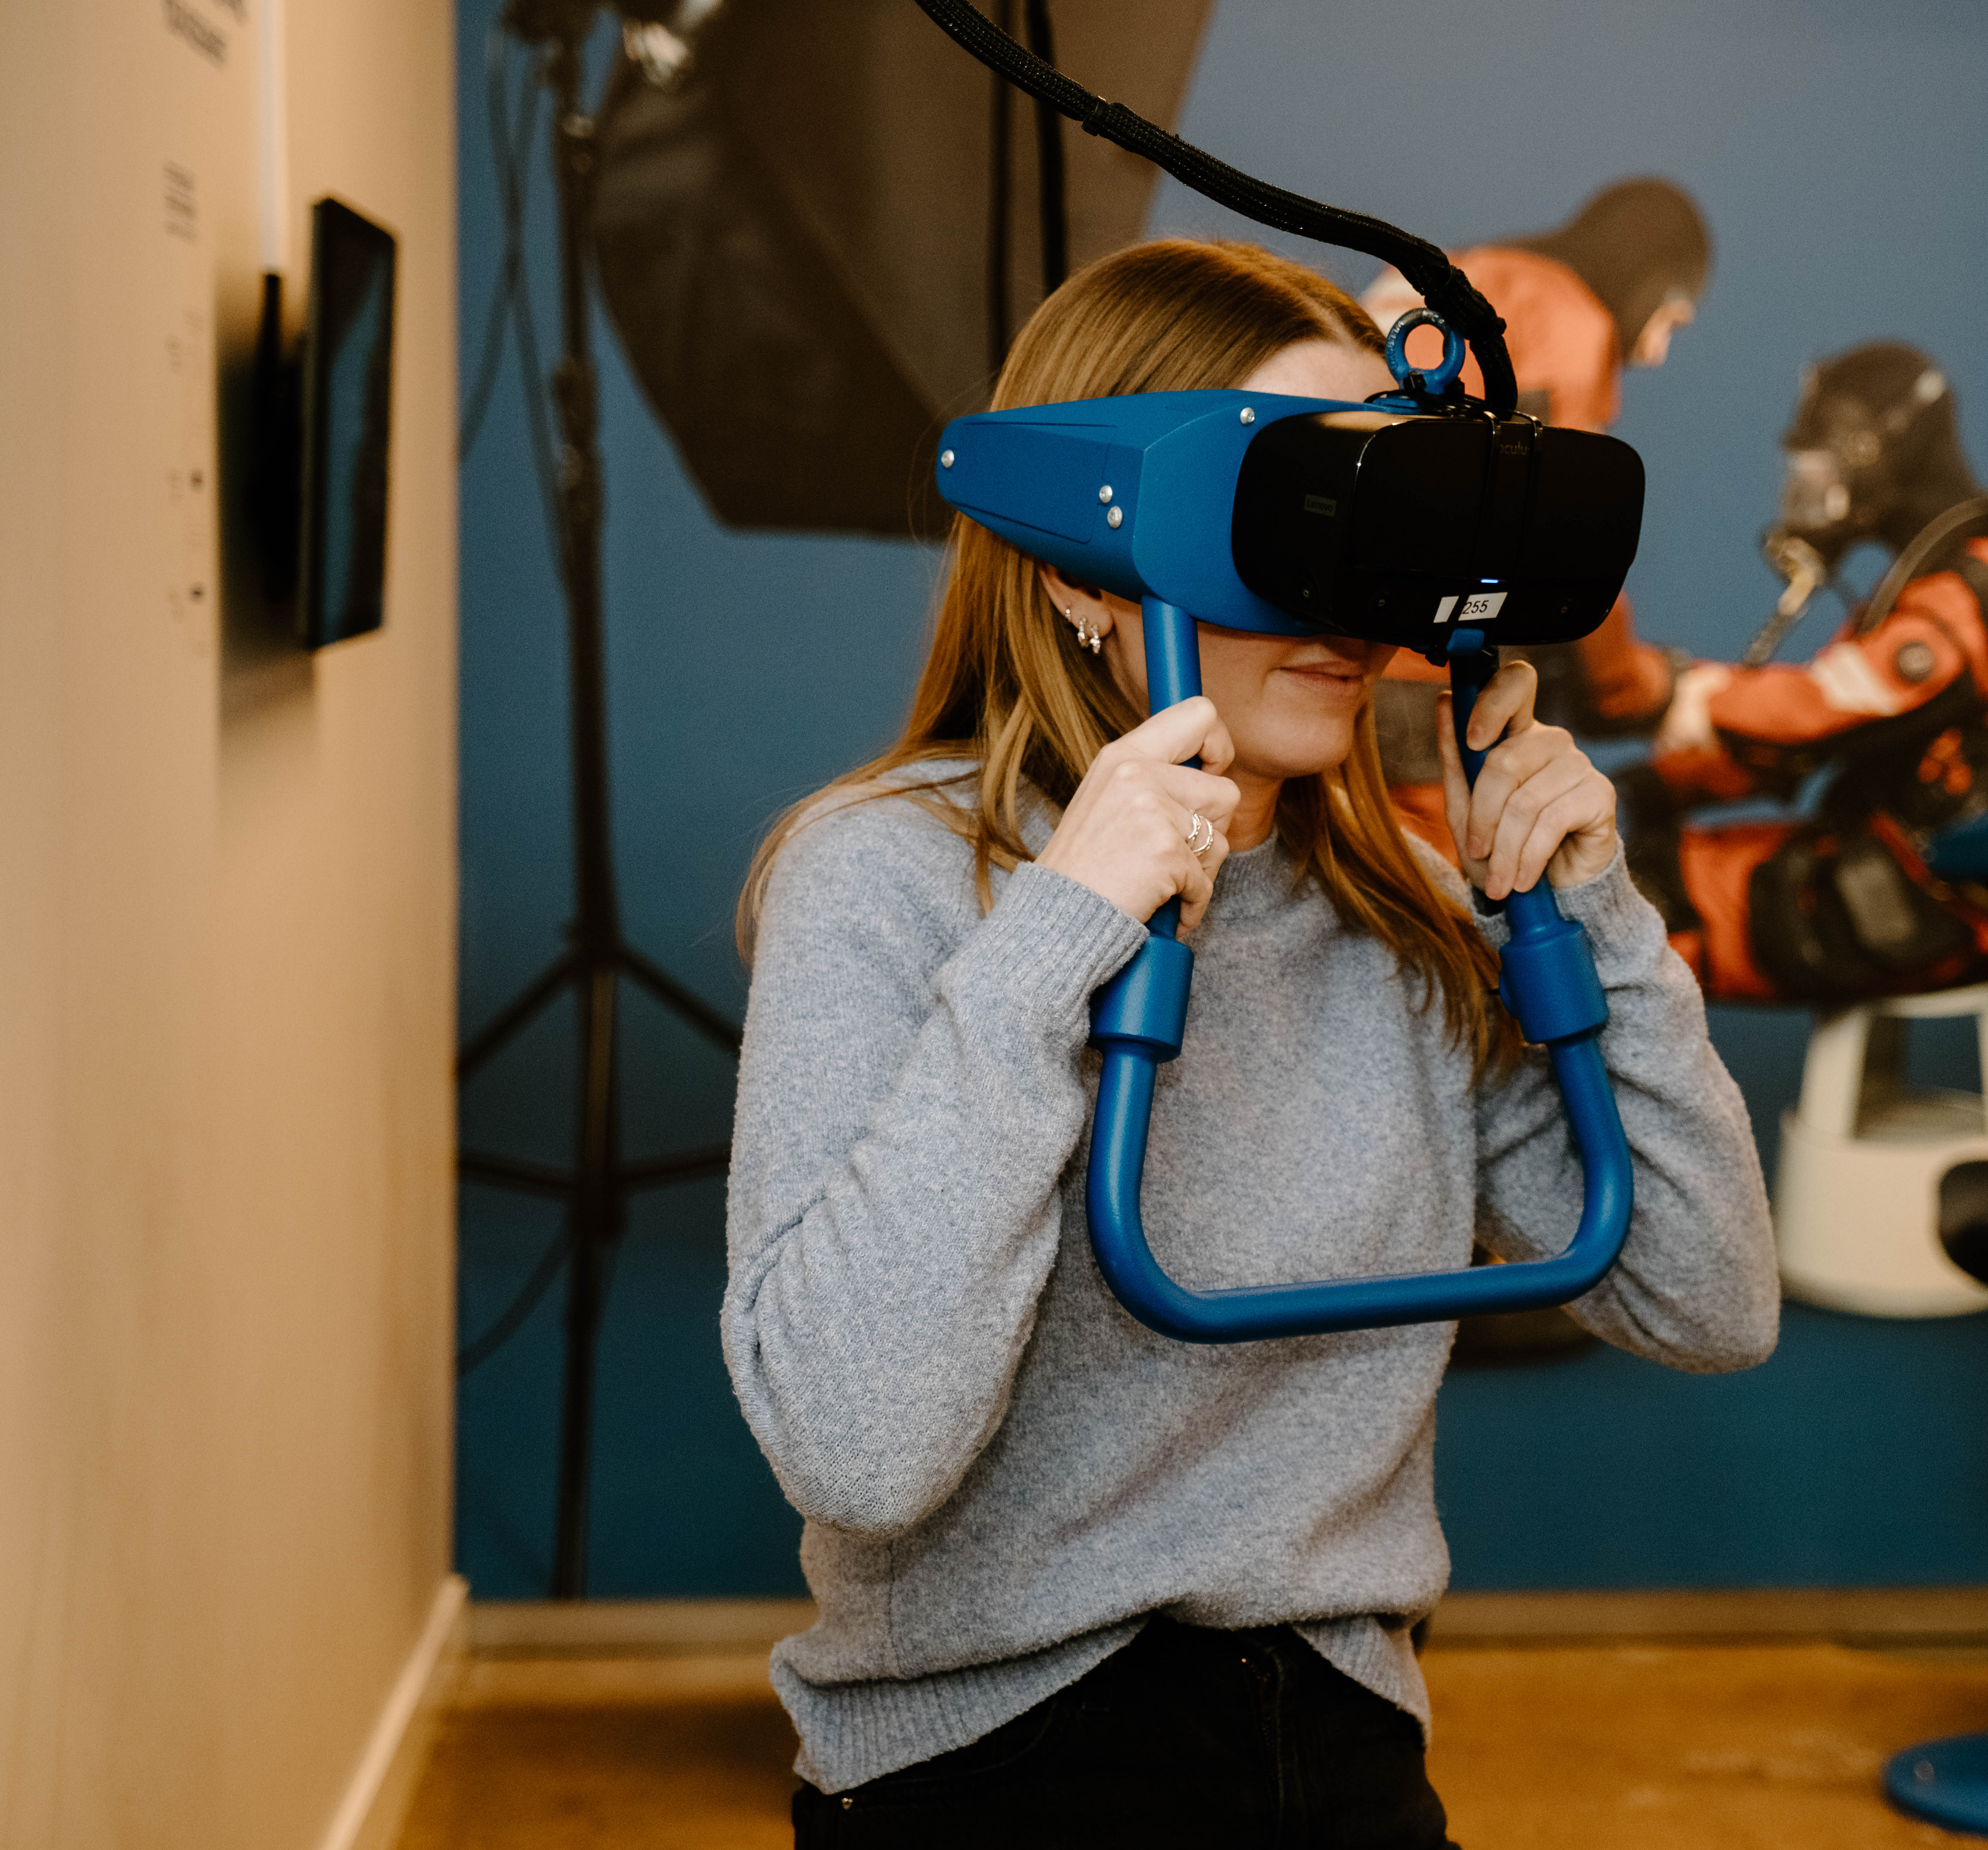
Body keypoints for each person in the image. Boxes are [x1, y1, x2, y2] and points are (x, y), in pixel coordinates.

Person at [723, 238, 1779, 1846]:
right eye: (1289, 513)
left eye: (1377, 517)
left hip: (1341, 1746)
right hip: (982, 1768)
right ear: (1083, 561)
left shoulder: (1409, 916)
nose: (1348, 600)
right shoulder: (886, 876)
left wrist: (1600, 921)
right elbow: (860, 1452)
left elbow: (1708, 1301)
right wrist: (1061, 940)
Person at [1621, 341, 1988, 1008]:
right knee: (1620, 873)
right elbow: (1806, 740)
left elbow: (1823, 712)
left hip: (1948, 899)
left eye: (1820, 461)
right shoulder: (1935, 579)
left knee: (1627, 903)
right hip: (1922, 868)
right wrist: (1638, 789)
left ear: (1868, 450)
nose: (1806, 485)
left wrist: (1668, 690)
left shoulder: (1985, 585)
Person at [1359, 178, 1713, 860]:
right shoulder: (1566, 318)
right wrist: (1634, 686)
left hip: (1325, 644)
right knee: (1446, 931)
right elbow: (1567, 533)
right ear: (1645, 278)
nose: (1658, 351)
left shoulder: (1463, 276)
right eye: (1672, 317)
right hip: (1414, 680)